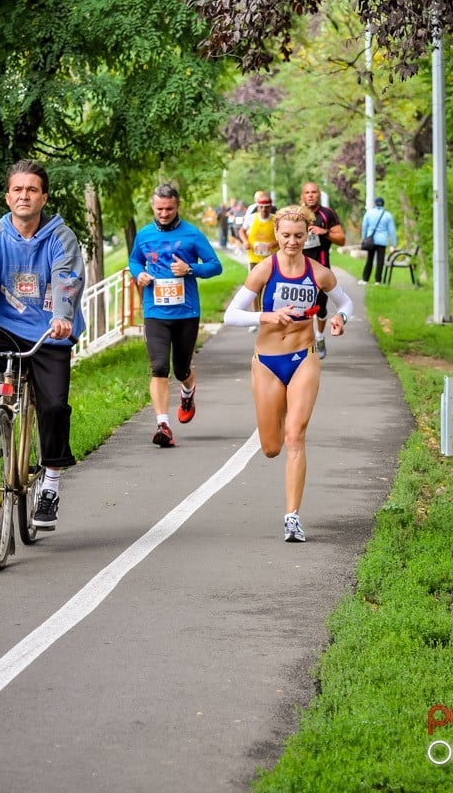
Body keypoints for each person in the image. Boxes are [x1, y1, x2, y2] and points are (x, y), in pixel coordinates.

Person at [0, 159, 85, 529]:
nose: (24, 196)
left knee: (54, 406)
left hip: (51, 330)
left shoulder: (60, 237)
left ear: (43, 197)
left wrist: (63, 317)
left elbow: (65, 278)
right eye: (18, 189)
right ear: (7, 196)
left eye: (32, 189)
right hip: (2, 324)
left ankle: (50, 485)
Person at [223, 204, 354, 543]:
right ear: (276, 235)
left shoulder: (319, 273)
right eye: (285, 235)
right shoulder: (265, 269)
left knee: (295, 435)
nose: (292, 242)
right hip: (267, 361)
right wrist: (264, 317)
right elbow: (231, 315)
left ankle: (292, 518)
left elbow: (346, 302)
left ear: (308, 235)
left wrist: (340, 319)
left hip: (303, 358)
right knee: (271, 447)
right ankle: (277, 414)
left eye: (298, 236)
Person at [129, 183, 222, 448]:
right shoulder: (144, 234)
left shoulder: (192, 234)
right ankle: (163, 425)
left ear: (177, 206)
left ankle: (187, 392)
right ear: (152, 206)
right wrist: (140, 274)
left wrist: (190, 268)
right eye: (159, 209)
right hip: (155, 311)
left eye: (169, 208)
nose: (164, 213)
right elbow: (134, 260)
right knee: (159, 366)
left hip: (186, 312)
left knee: (181, 370)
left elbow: (215, 266)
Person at [300, 181, 346, 359]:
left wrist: (324, 232)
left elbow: (341, 239)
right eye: (307, 192)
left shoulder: (327, 214)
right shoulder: (297, 214)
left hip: (321, 267)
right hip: (299, 268)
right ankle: (303, 342)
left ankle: (319, 337)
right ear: (302, 196)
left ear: (319, 195)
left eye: (314, 192)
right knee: (300, 306)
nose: (311, 195)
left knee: (320, 308)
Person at [359, 196, 397, 286]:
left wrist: (364, 238)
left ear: (375, 203)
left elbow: (364, 227)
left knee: (369, 260)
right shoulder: (388, 215)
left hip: (370, 241)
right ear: (383, 204)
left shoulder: (369, 213)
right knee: (380, 261)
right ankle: (378, 281)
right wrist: (393, 244)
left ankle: (365, 279)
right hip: (382, 241)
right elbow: (392, 230)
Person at [239, 194, 278, 269]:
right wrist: (245, 242)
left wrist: (276, 243)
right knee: (254, 279)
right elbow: (242, 231)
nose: (264, 209)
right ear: (258, 208)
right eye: (261, 207)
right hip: (254, 257)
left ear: (270, 207)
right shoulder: (251, 218)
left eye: (266, 207)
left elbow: (283, 235)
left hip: (271, 258)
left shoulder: (276, 220)